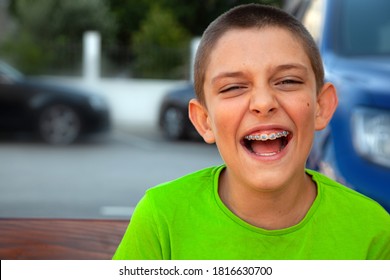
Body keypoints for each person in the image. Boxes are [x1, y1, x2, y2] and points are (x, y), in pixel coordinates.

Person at [113, 4, 390, 260]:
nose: (263, 103)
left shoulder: (373, 231)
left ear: (321, 106)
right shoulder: (162, 218)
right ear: (204, 121)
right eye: (233, 87)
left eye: (288, 81)